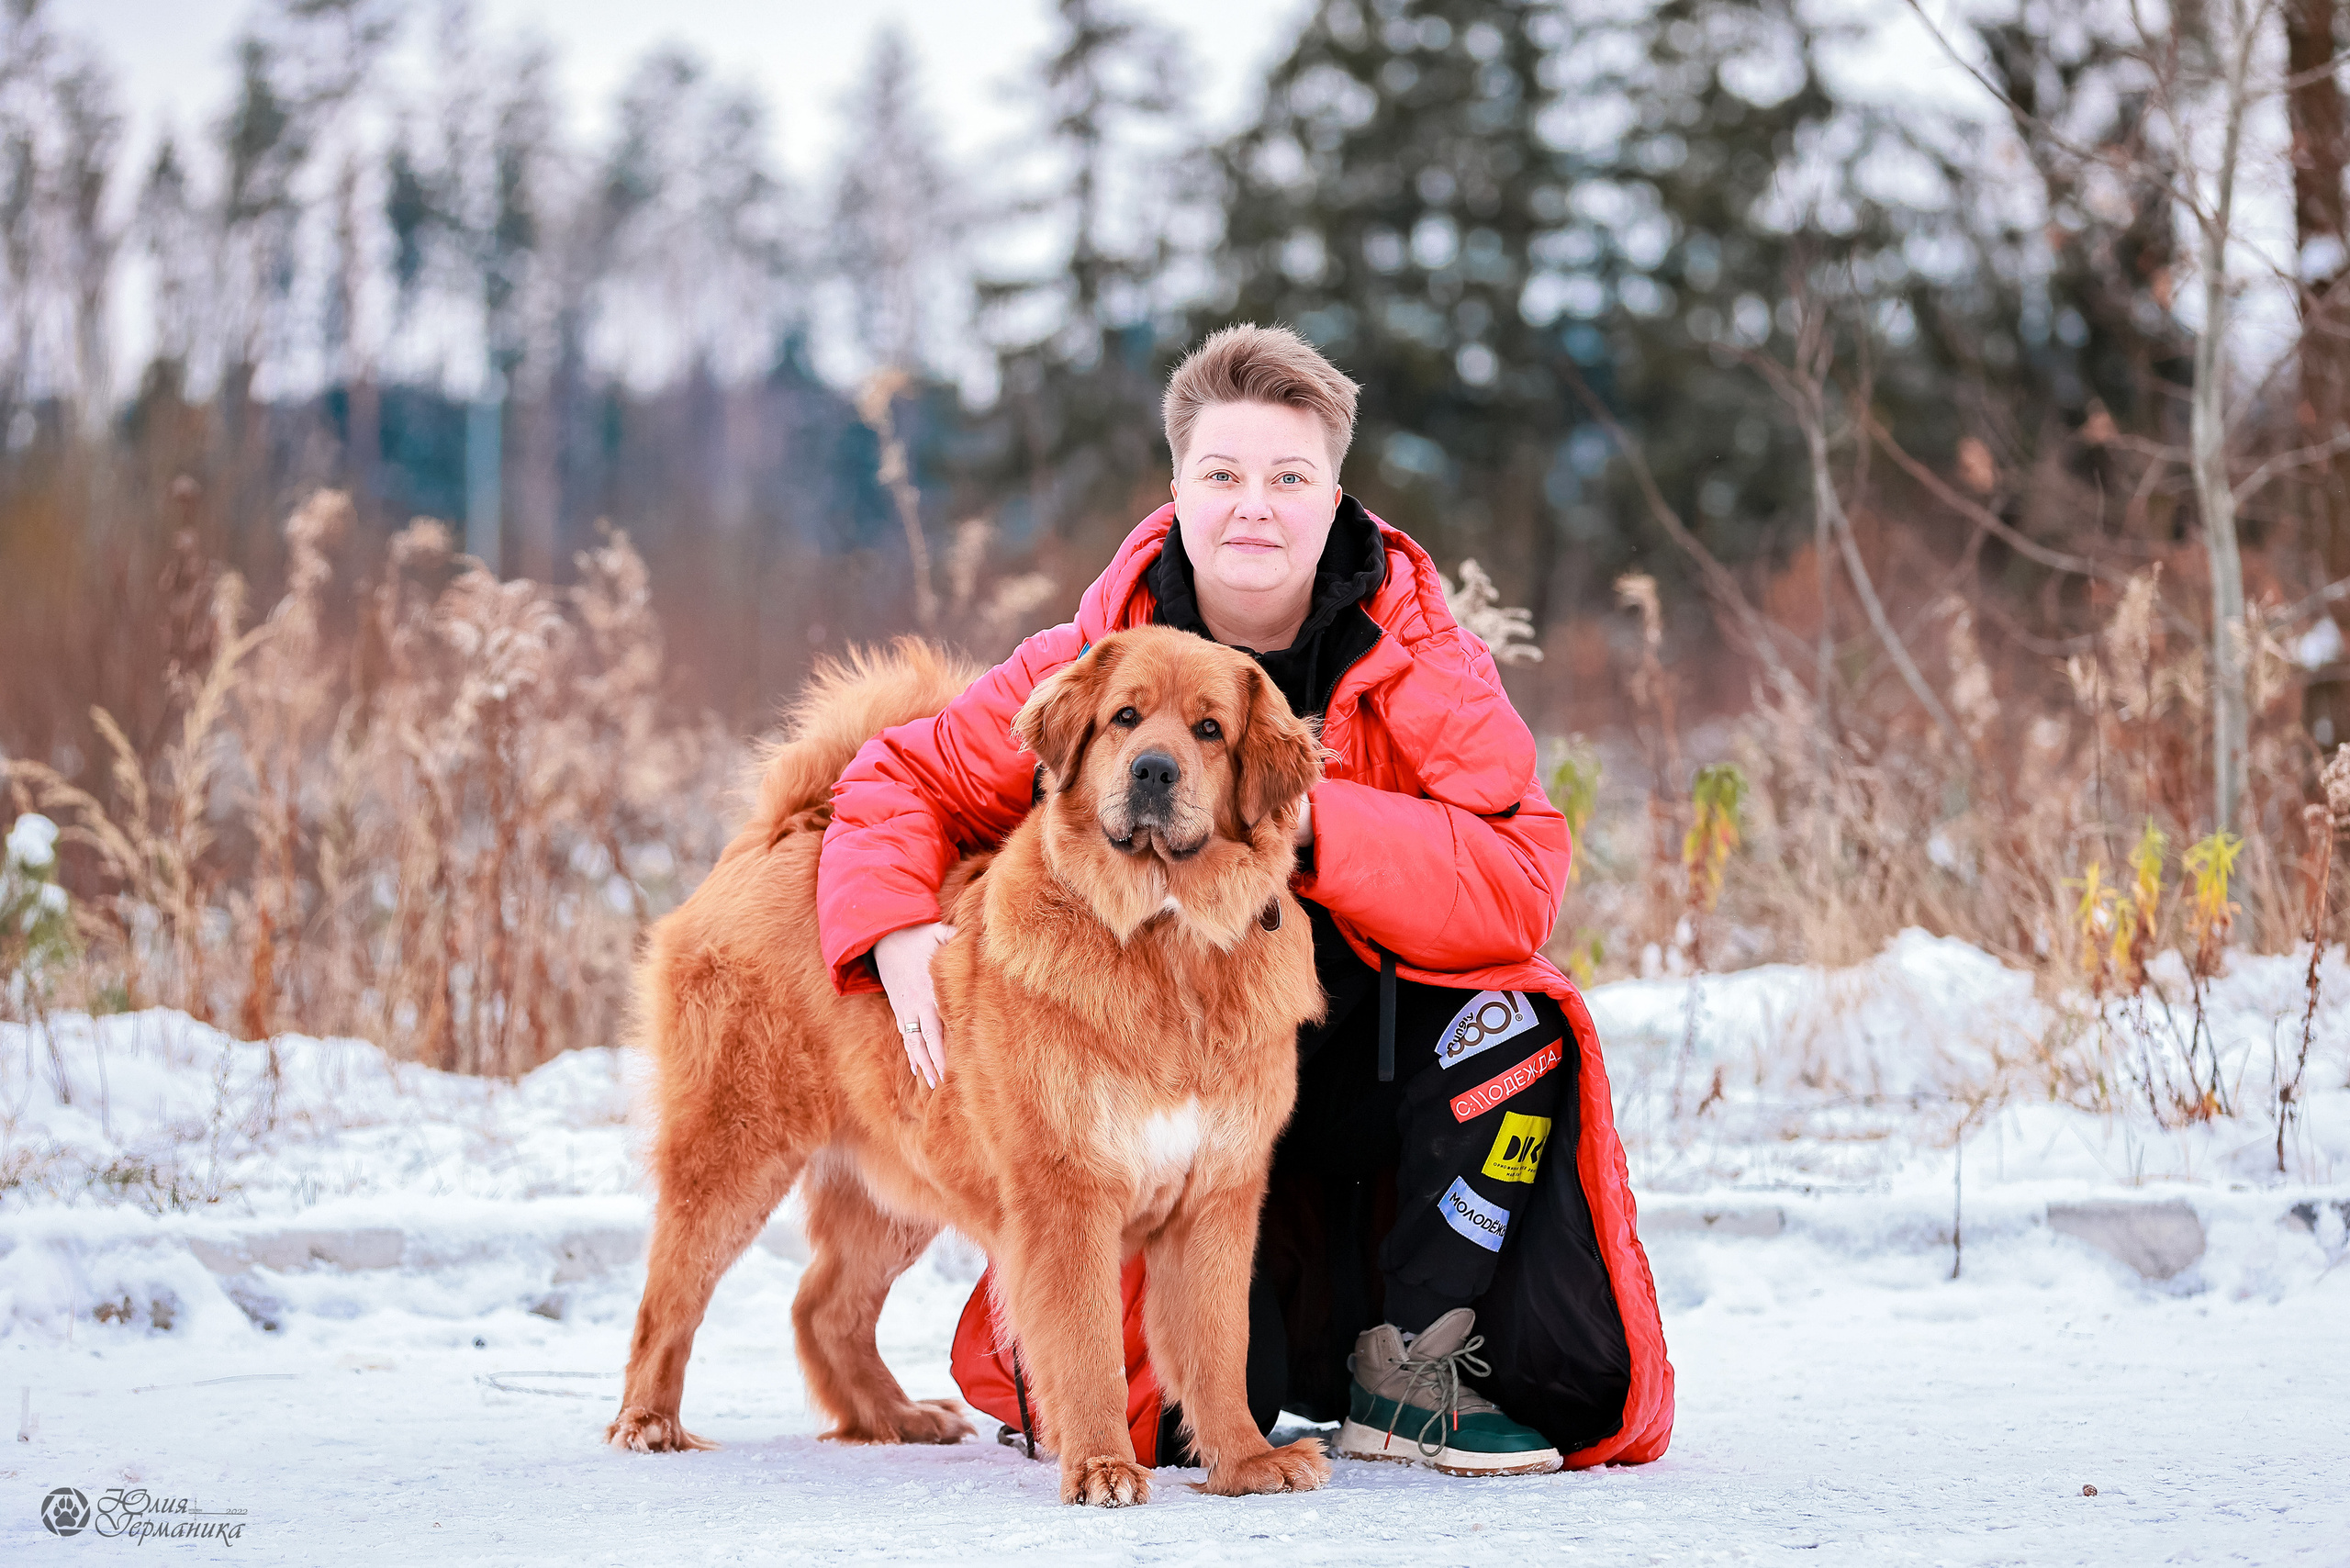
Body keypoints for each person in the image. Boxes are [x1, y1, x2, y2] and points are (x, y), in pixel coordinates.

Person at [816, 324, 1672, 1475]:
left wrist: (1311, 826)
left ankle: (1415, 1363)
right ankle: (1170, 1367)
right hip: (1155, 1087)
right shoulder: (1094, 651)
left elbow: (1521, 883)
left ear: (1332, 499)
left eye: (1287, 477)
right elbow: (901, 774)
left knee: (1516, 1024)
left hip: (1364, 1073)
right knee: (1177, 1430)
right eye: (1221, 475)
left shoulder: (1425, 663)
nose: (1253, 506)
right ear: (1176, 491)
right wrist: (892, 925)